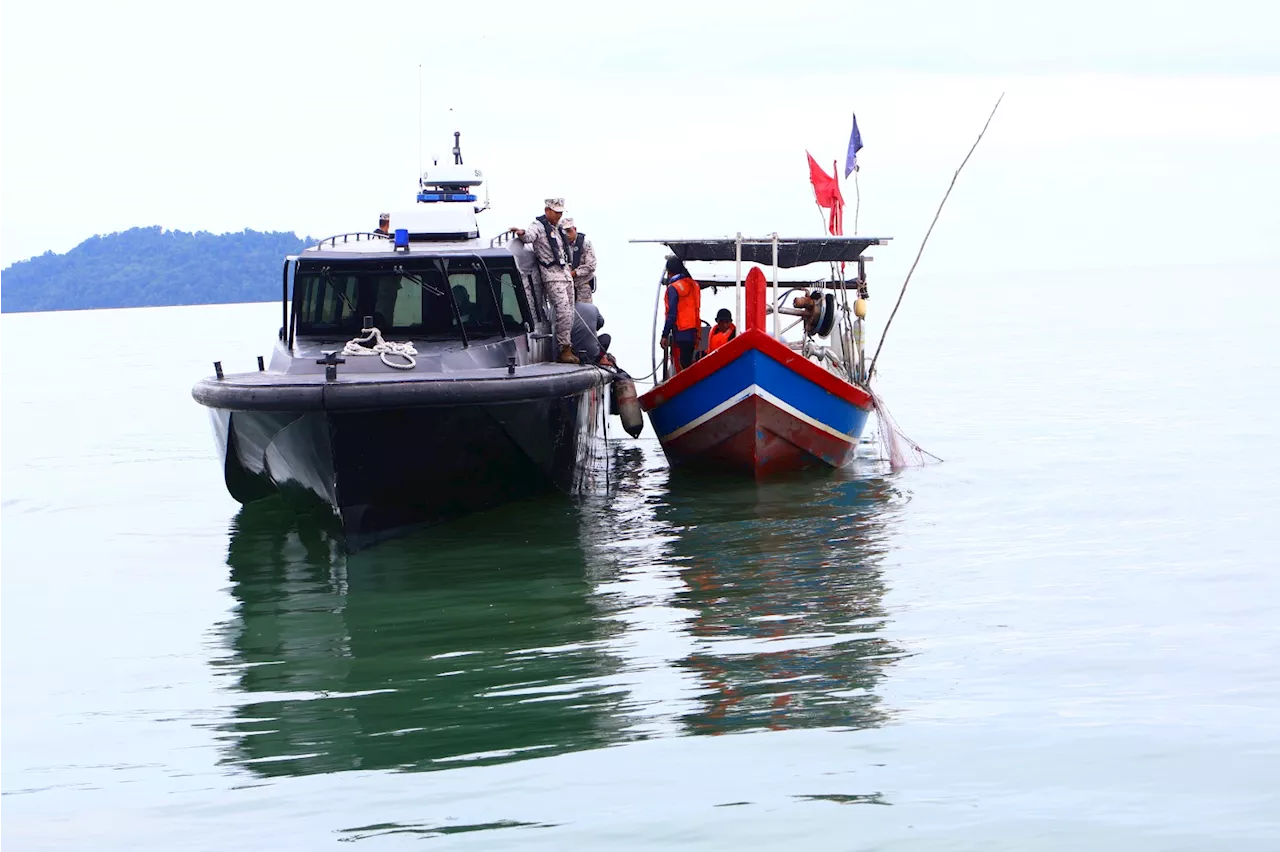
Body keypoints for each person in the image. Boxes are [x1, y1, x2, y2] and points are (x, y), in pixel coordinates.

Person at [509, 198, 578, 364]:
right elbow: (530, 237)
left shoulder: (559, 228)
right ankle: (564, 348)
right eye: (556, 212)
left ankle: (567, 345)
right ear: (547, 210)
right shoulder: (538, 226)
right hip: (552, 275)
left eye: (561, 212)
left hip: (565, 275)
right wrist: (521, 233)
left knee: (570, 312)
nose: (559, 215)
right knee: (563, 310)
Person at [660, 256, 702, 374]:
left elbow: (671, 314)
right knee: (688, 363)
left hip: (681, 332)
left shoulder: (674, 288)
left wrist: (665, 334)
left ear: (669, 272)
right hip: (694, 331)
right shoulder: (693, 285)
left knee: (682, 366)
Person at [562, 218, 597, 303]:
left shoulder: (586, 244)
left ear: (574, 229)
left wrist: (574, 273)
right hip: (565, 288)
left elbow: (591, 266)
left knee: (585, 313)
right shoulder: (560, 246)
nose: (567, 234)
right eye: (564, 232)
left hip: (583, 287)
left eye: (569, 231)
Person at [570, 301, 615, 367]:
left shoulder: (556, 309)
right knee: (606, 337)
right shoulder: (592, 307)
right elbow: (600, 323)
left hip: (570, 354)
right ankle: (600, 358)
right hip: (592, 356)